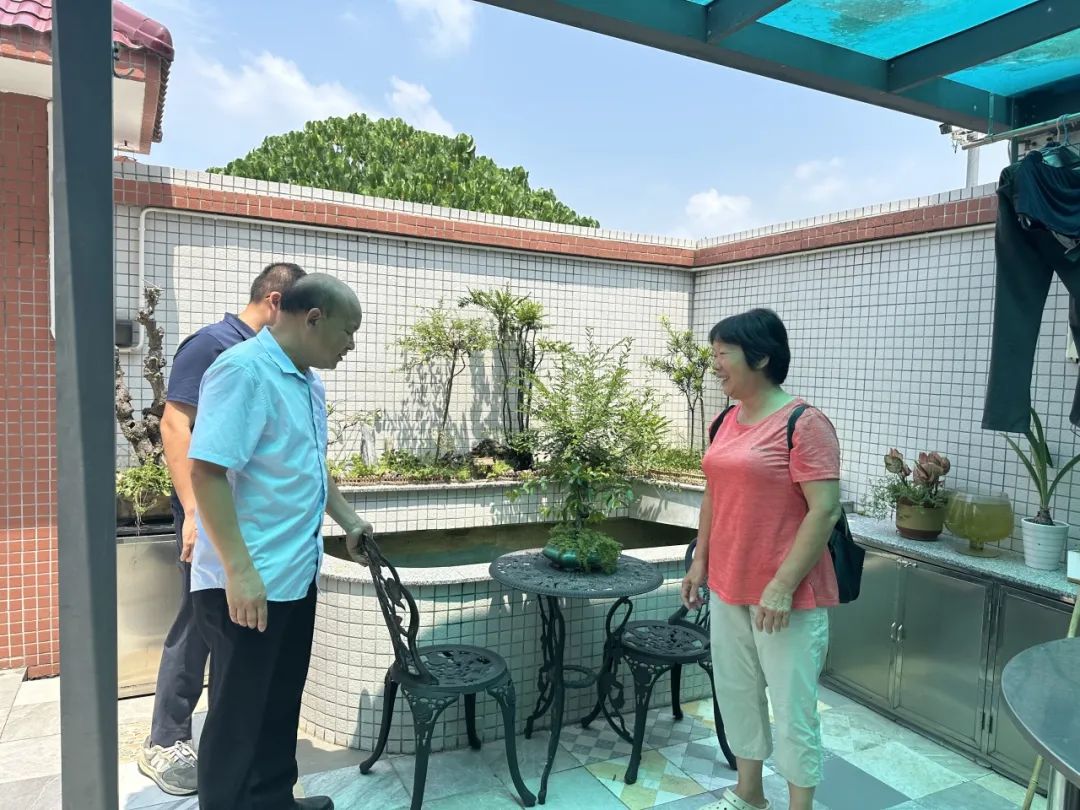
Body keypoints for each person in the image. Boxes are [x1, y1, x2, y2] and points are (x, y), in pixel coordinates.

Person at [188, 273, 372, 810]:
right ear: (313, 318)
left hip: (293, 575)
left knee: (278, 704)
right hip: (247, 583)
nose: (351, 344)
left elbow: (310, 464)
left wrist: (348, 520)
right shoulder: (243, 371)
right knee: (238, 718)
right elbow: (206, 473)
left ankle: (274, 801)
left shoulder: (308, 381)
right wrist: (240, 572)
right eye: (348, 331)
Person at [139, 262, 306, 796]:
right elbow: (174, 424)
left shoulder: (280, 360)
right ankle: (167, 738)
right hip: (206, 511)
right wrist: (192, 511)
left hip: (243, 523)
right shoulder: (214, 345)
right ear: (277, 302)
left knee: (225, 638)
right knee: (200, 619)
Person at [682, 308, 842, 810]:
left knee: (794, 710)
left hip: (786, 599)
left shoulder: (804, 423)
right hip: (728, 586)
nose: (715, 365)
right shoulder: (725, 420)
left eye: (722, 354)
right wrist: (700, 561)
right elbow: (715, 495)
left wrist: (781, 585)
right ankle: (748, 794)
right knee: (738, 695)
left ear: (761, 357)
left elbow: (825, 510)